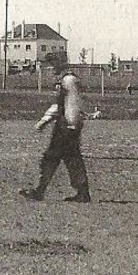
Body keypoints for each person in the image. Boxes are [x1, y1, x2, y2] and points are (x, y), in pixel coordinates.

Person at [19, 67, 91, 202]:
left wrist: (45, 121)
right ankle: (82, 192)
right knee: (72, 159)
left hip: (65, 127)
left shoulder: (67, 81)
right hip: (70, 126)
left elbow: (65, 105)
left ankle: (40, 190)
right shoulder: (72, 80)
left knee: (52, 158)